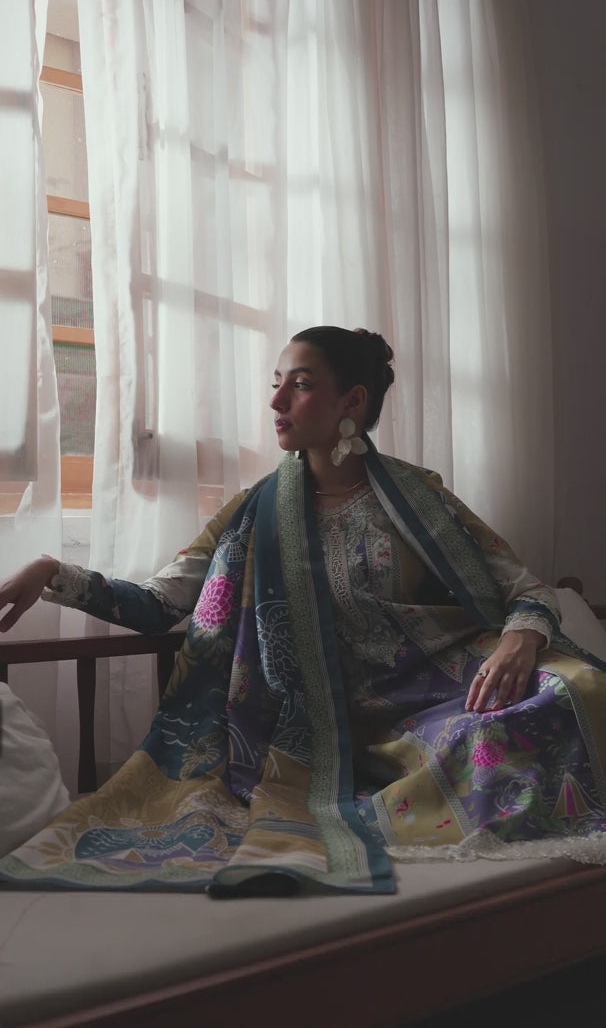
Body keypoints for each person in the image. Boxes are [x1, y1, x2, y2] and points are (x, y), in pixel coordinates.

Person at [1, 326, 606, 896]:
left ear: (352, 400)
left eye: (301, 384)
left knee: (577, 686)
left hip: (445, 687)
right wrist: (53, 573)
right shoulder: (252, 511)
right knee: (484, 741)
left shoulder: (419, 497)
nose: (277, 401)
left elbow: (523, 587)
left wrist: (520, 638)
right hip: (340, 723)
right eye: (277, 383)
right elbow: (160, 604)